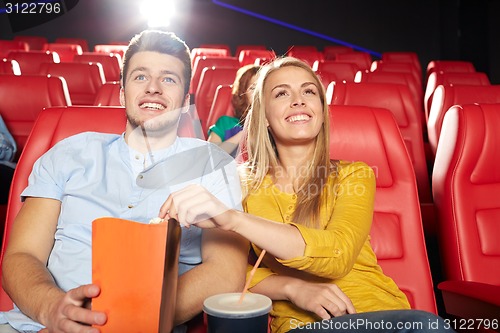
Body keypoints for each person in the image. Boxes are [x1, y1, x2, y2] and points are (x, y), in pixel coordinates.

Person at [159, 57, 456, 333]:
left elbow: (337, 253)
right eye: (282, 94)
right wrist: (290, 288)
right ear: (262, 116)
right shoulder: (237, 183)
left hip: (385, 316)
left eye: (309, 92)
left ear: (322, 111)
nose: (298, 100)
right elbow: (231, 273)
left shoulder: (355, 175)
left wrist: (234, 219)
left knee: (423, 326)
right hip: (301, 324)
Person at [0, 30, 248, 333]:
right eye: (140, 77)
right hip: (40, 325)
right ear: (122, 92)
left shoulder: (212, 162)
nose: (153, 88)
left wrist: (131, 319)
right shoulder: (68, 152)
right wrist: (53, 309)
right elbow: (22, 254)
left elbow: (225, 272)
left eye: (168, 79)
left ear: (185, 100)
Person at [207, 64, 260, 157]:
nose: (258, 94)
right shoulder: (225, 123)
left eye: (263, 88)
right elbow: (210, 157)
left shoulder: (276, 124)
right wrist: (244, 133)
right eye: (253, 88)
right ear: (242, 93)